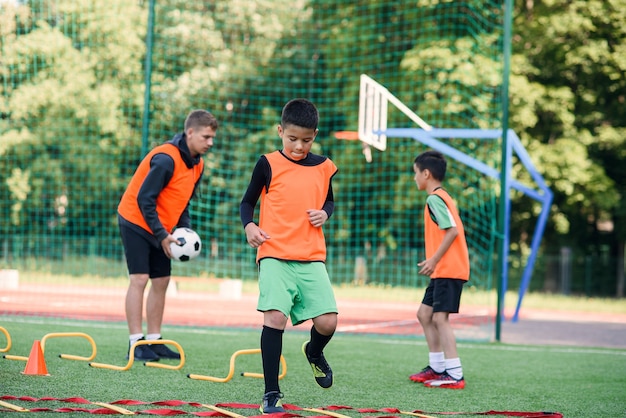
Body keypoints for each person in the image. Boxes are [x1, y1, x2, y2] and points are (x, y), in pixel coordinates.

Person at [240, 98, 338, 413]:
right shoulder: (267, 163)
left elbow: (329, 202)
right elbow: (246, 203)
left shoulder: (324, 167)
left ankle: (313, 351)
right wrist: (249, 226)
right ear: (280, 131)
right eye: (292, 138)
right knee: (275, 317)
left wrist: (325, 213)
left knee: (328, 323)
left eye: (306, 140)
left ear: (315, 135)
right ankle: (271, 394)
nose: (298, 146)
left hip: (311, 257)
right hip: (274, 253)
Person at [117, 109, 218, 361]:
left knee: (161, 281)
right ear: (190, 132)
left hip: (162, 227)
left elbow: (183, 201)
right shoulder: (166, 159)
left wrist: (183, 230)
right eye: (206, 137)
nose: (210, 142)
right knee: (140, 279)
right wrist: (162, 235)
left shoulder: (198, 164)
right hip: (136, 220)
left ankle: (155, 339)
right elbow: (144, 199)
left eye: (212, 137)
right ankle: (135, 342)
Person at [409, 150, 469, 389]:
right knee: (424, 314)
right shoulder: (442, 196)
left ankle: (455, 375)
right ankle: (437, 367)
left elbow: (452, 231)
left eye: (415, 173)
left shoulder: (434, 198)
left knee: (439, 318)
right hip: (442, 270)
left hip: (448, 269)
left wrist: (433, 259)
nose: (414, 178)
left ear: (426, 173)